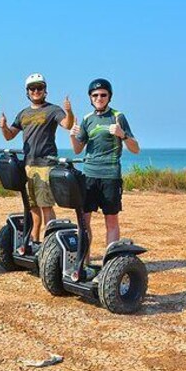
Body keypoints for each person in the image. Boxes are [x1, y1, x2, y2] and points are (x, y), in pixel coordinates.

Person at [69, 78, 140, 264]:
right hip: (89, 176)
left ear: (109, 96)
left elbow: (136, 148)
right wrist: (71, 135)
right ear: (90, 98)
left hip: (110, 177)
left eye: (103, 95)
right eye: (95, 95)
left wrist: (122, 135)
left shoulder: (118, 116)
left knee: (111, 222)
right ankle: (83, 262)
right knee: (83, 222)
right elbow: (78, 149)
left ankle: (110, 265)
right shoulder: (87, 119)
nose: (99, 98)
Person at [0, 73, 74, 240]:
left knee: (46, 205)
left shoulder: (53, 110)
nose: (36, 91)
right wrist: (3, 127)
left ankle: (51, 243)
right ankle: (34, 240)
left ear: (45, 90)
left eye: (39, 87)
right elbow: (9, 135)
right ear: (27, 91)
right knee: (32, 207)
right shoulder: (23, 113)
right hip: (28, 165)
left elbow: (67, 125)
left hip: (46, 164)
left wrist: (69, 111)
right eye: (32, 88)